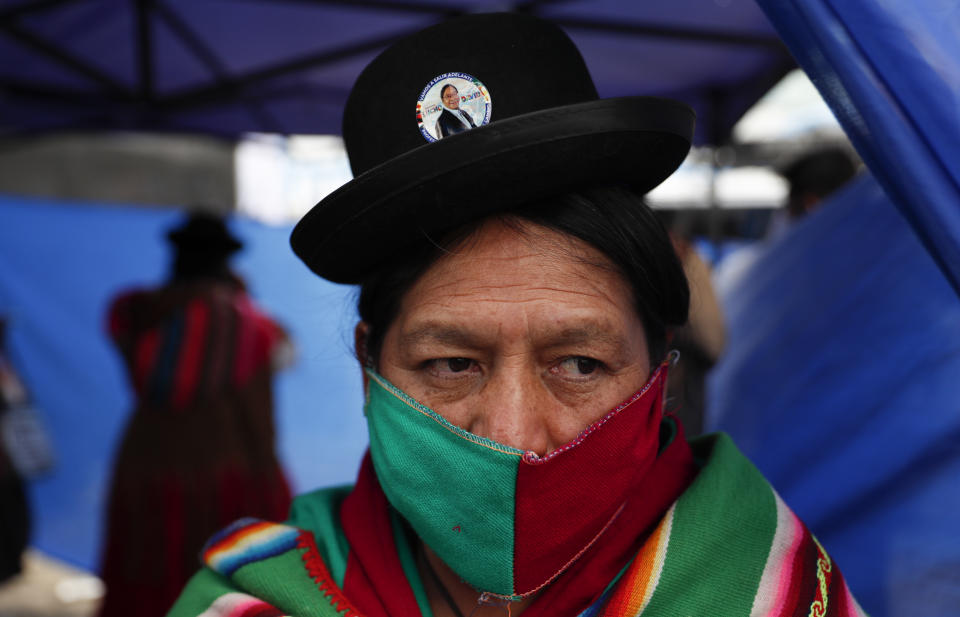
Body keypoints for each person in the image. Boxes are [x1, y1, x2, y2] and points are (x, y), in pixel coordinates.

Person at [169, 14, 865, 617]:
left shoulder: (766, 588)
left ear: (662, 367)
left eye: (580, 363)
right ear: (366, 367)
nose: (511, 434)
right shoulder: (268, 595)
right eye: (450, 363)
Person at [98, 213, 292, 617]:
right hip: (222, 467)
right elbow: (259, 386)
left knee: (150, 573)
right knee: (223, 576)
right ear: (227, 260)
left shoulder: (141, 315)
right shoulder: (239, 320)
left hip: (147, 462)